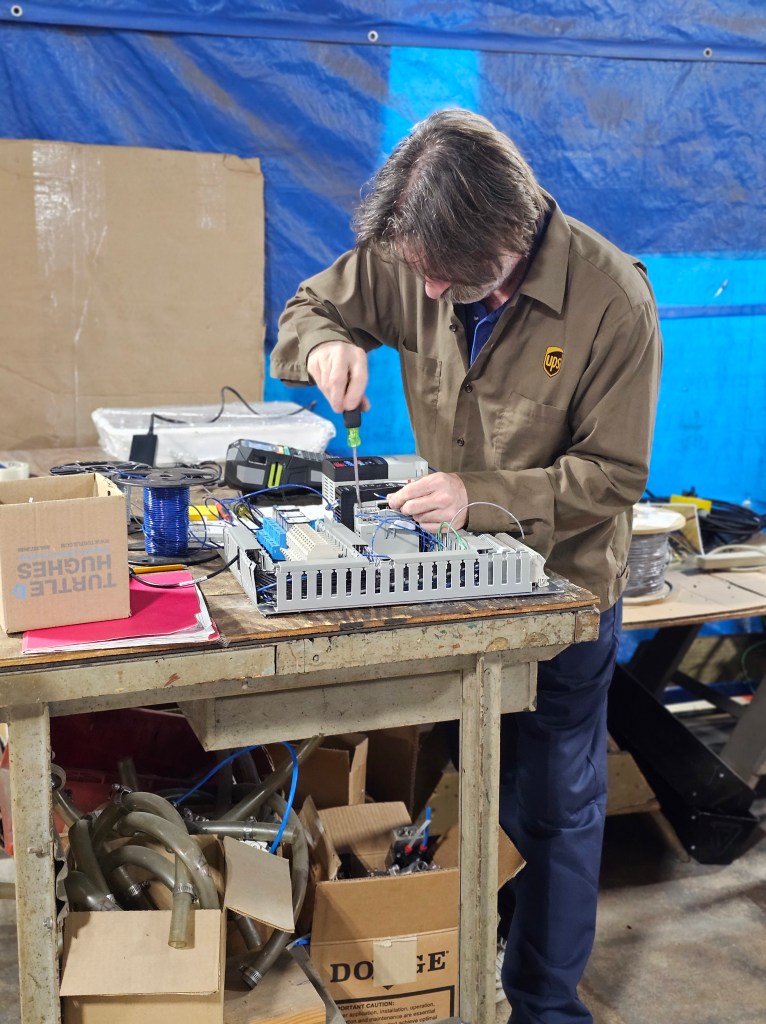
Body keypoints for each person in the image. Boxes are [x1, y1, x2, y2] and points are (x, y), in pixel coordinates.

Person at [271, 108, 662, 1023]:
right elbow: (309, 307)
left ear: (510, 234)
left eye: (446, 275)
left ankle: (545, 1005)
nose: (427, 290)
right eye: (417, 272)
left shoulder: (612, 302)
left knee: (553, 804)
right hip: (453, 589)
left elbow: (615, 474)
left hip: (561, 595)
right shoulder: (420, 251)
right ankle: (458, 959)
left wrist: (477, 493)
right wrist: (326, 344)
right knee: (466, 776)